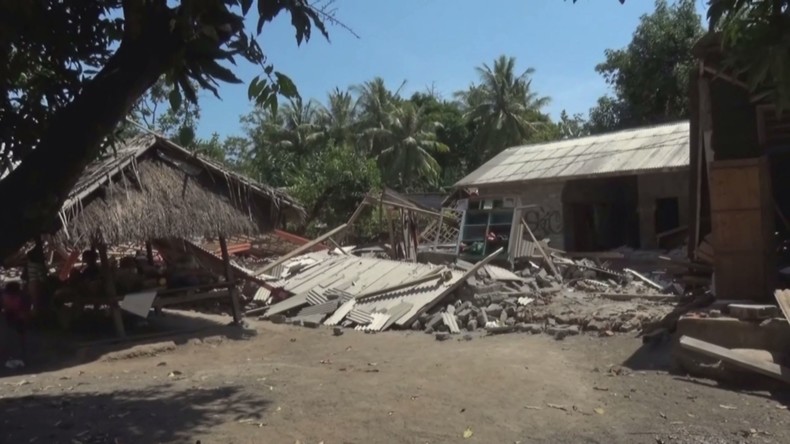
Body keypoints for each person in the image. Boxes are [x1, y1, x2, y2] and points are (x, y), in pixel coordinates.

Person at [2, 281, 30, 368]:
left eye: (14, 298)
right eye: (10, 297)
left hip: (17, 319)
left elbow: (25, 316)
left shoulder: (25, 299)